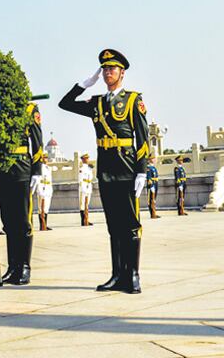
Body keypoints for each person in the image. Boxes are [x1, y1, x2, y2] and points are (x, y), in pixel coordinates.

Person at [59, 48, 149, 294]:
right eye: (105, 69)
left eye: (112, 68)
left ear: (122, 73)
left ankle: (132, 275)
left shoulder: (132, 100)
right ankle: (116, 275)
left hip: (127, 168)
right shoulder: (97, 102)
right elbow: (64, 104)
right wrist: (83, 85)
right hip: (106, 169)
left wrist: (142, 170)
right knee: (114, 225)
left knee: (130, 223)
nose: (108, 72)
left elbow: (142, 136)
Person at [0, 101, 43, 285]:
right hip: (3, 170)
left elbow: (37, 141)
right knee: (8, 221)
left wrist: (37, 170)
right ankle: (12, 267)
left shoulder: (29, 108)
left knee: (23, 221)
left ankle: (24, 267)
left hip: (22, 168)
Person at [37, 154, 54, 231]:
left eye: (47, 157)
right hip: (42, 188)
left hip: (48, 188)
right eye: (44, 158)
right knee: (41, 208)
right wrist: (40, 190)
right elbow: (39, 180)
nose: (46, 159)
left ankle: (45, 224)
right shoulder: (40, 167)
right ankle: (42, 225)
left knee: (46, 207)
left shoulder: (48, 168)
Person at [77, 154, 94, 226]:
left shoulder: (89, 168)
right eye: (86, 159)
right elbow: (80, 179)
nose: (87, 160)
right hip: (83, 187)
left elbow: (91, 177)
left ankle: (87, 219)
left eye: (88, 158)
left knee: (87, 204)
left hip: (89, 186)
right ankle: (83, 220)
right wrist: (83, 187)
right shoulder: (81, 168)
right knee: (82, 204)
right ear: (83, 160)